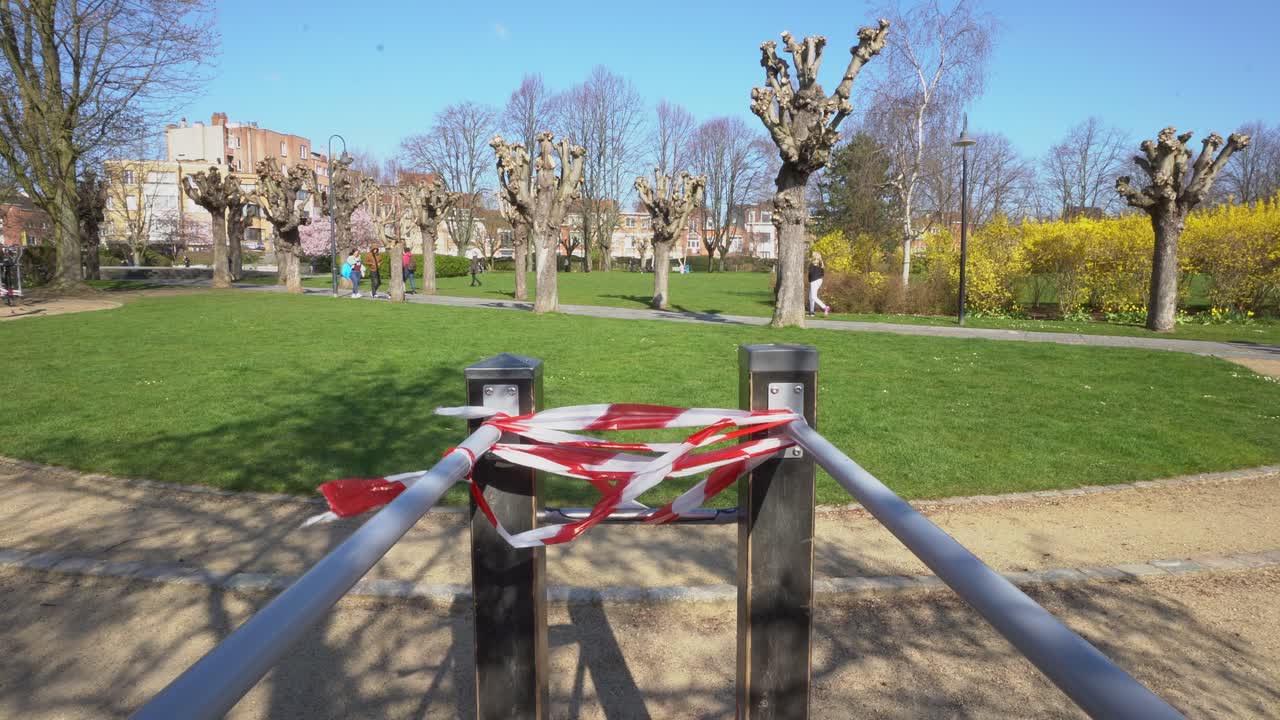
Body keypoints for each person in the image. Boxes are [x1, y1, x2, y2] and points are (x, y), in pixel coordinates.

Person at [808, 251, 830, 317]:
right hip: (819, 280)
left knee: (813, 296)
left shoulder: (812, 264)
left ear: (813, 257)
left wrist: (810, 281)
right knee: (811, 296)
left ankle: (825, 307)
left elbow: (810, 274)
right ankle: (811, 312)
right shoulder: (821, 264)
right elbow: (822, 274)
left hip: (814, 281)